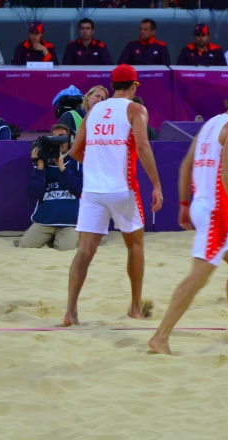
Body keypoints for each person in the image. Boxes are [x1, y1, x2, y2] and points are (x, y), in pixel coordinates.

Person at [147, 79, 228, 355]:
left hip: (203, 204)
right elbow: (227, 173)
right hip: (218, 212)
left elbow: (186, 164)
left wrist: (185, 205)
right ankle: (160, 337)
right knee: (197, 278)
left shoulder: (211, 124)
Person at [63, 64, 164, 326]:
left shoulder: (94, 110)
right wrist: (156, 184)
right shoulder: (135, 109)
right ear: (133, 86)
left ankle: (70, 311)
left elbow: (74, 151)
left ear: (113, 86)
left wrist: (98, 163)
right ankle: (134, 307)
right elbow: (142, 146)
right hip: (122, 189)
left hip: (93, 191)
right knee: (135, 245)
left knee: (84, 252)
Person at [18, 124, 83, 251]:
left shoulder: (77, 162)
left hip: (69, 220)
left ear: (70, 141)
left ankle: (71, 235)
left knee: (65, 248)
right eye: (55, 139)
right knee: (25, 245)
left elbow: (79, 189)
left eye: (62, 138)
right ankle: (52, 236)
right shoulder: (43, 164)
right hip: (46, 219)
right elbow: (35, 193)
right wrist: (40, 167)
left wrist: (62, 168)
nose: (59, 142)